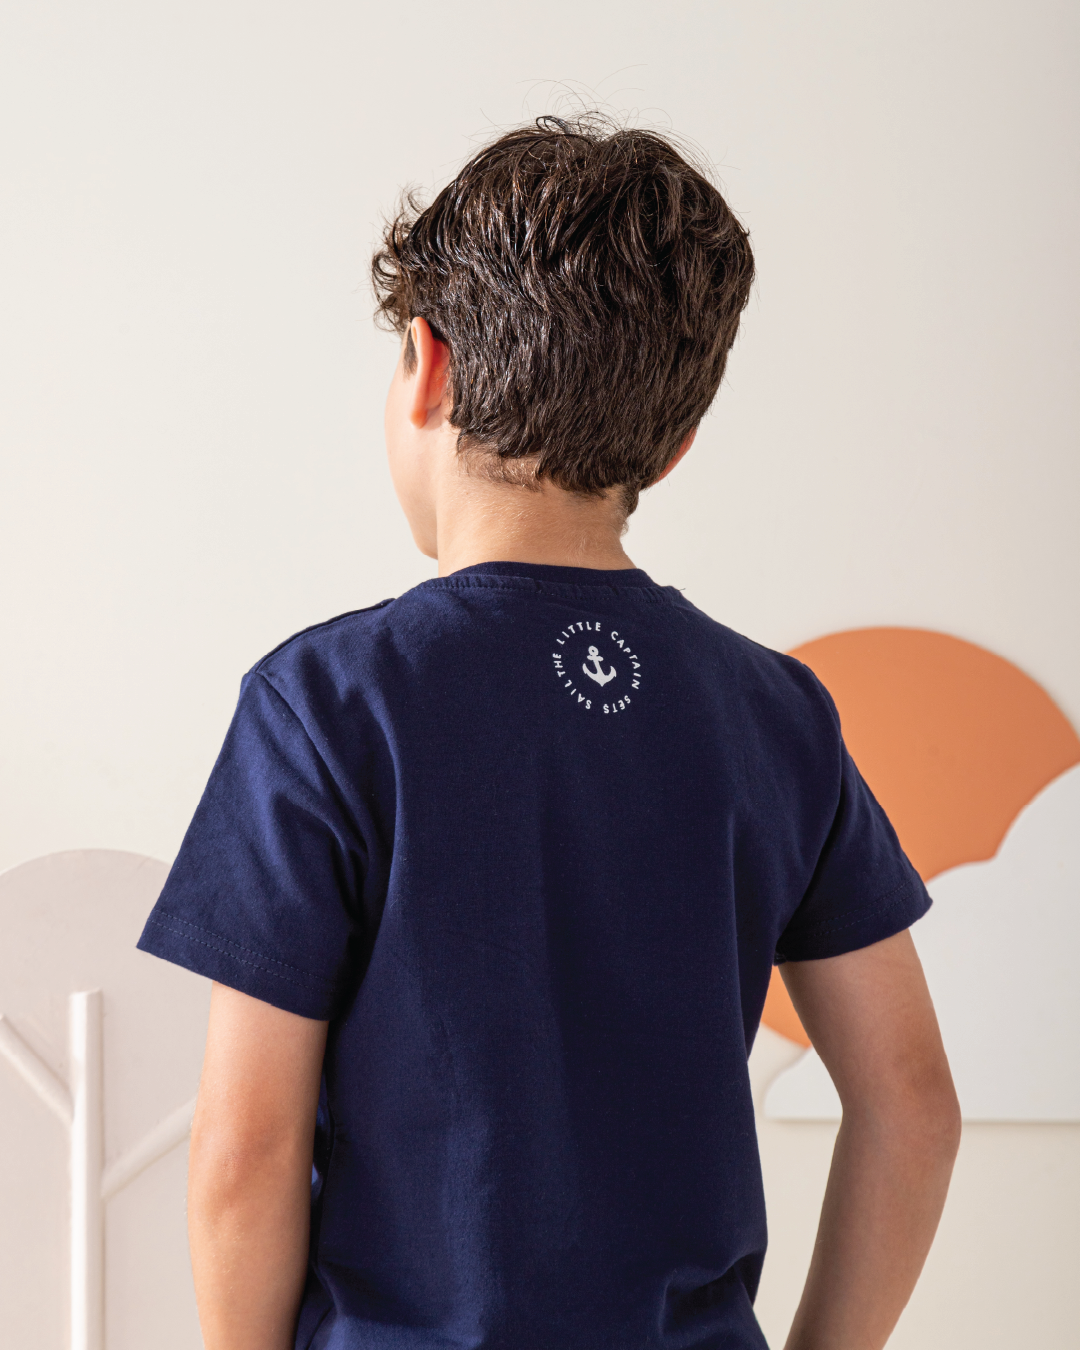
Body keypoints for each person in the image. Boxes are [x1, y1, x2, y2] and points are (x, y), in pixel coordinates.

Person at [137, 115, 960, 1350]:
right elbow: (912, 1106)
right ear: (675, 447)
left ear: (426, 366)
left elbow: (245, 1150)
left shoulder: (326, 704)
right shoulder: (775, 714)